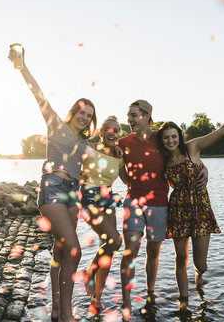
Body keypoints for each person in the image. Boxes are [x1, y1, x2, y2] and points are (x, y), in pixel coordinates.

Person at [9, 46, 97, 322]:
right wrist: (22, 66)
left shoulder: (85, 143)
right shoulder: (56, 125)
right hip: (53, 191)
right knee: (74, 249)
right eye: (82, 112)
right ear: (74, 112)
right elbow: (39, 94)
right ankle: (67, 315)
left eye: (89, 116)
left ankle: (57, 308)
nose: (85, 118)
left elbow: (108, 158)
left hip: (73, 195)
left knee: (61, 250)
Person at [156, 98, 224, 310]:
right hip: (177, 210)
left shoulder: (192, 148)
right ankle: (183, 300)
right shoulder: (162, 159)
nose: (170, 141)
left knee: (200, 263)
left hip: (200, 209)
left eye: (174, 136)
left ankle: (199, 276)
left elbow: (221, 130)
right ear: (162, 140)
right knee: (180, 259)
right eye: (166, 138)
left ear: (179, 136)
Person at [118, 100, 208, 319]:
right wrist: (130, 183)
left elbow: (185, 155)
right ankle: (126, 300)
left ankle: (150, 292)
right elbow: (119, 168)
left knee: (153, 251)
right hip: (134, 201)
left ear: (147, 116)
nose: (129, 120)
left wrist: (205, 169)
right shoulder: (123, 142)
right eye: (128, 115)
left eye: (133, 115)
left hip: (159, 203)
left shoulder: (161, 138)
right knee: (130, 250)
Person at [79, 116, 123, 311]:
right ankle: (88, 272)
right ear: (101, 132)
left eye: (116, 130)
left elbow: (129, 177)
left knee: (109, 249)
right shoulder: (90, 148)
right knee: (115, 241)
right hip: (88, 198)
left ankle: (96, 298)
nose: (111, 133)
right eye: (108, 130)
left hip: (107, 198)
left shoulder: (120, 155)